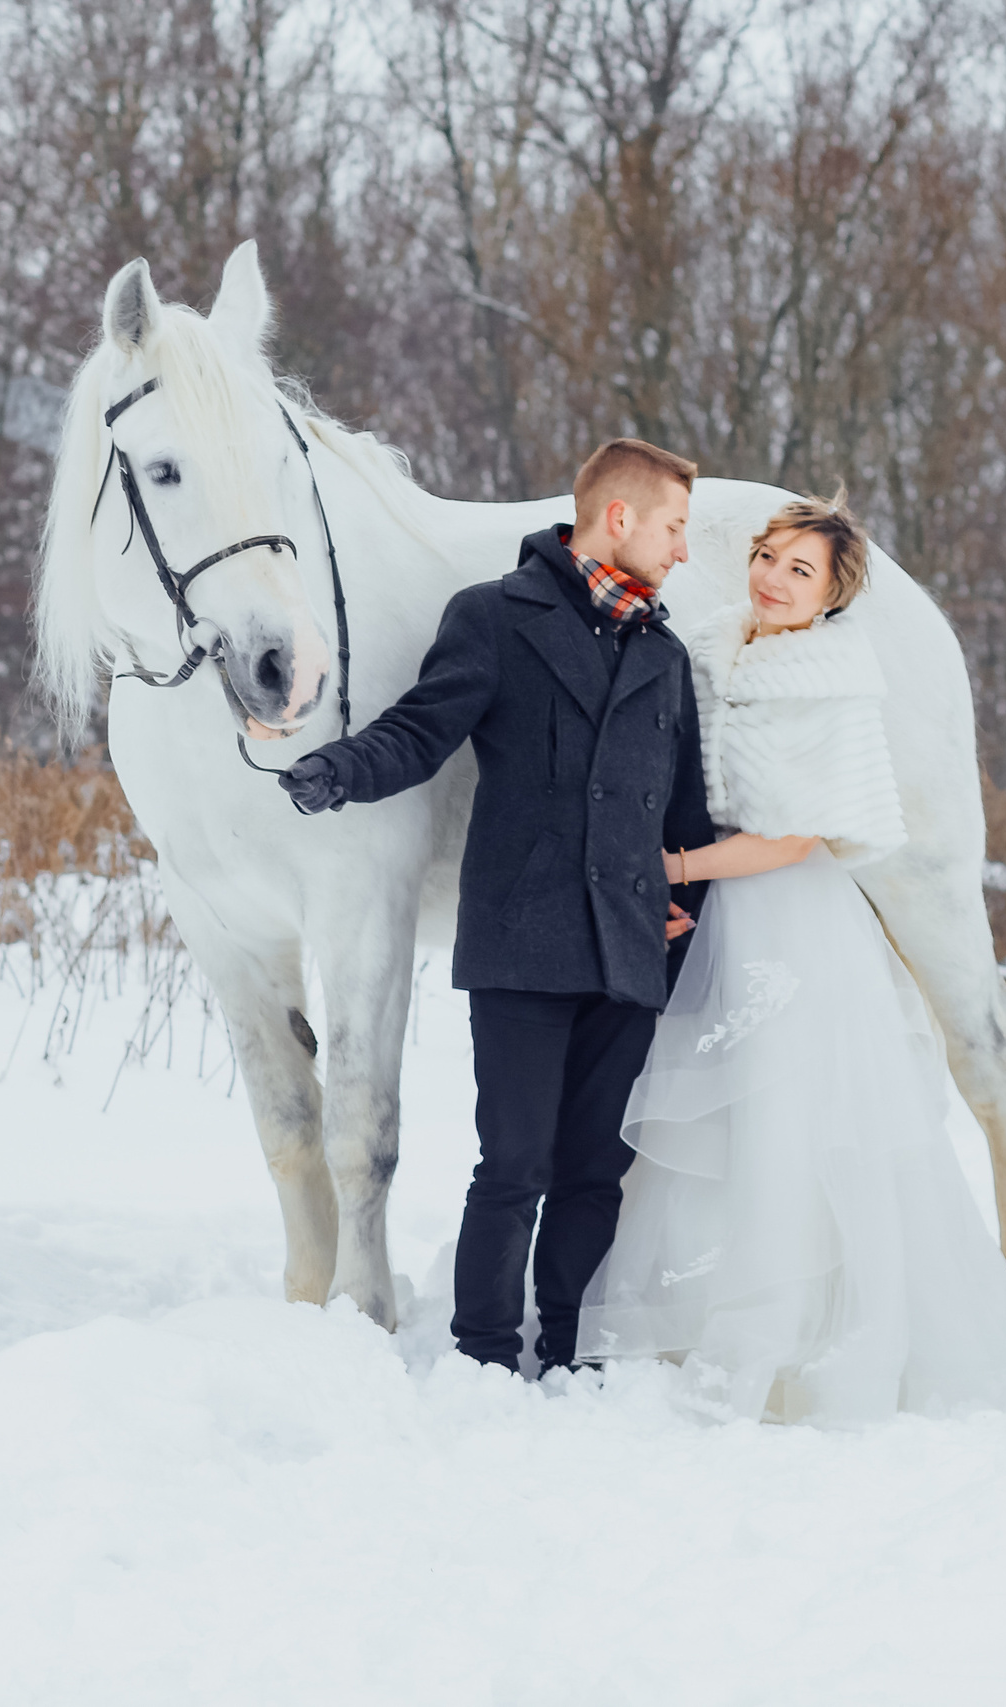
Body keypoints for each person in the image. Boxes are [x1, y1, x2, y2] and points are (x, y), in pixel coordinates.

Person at [577, 492, 1006, 1422]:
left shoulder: (830, 679)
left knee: (787, 1115)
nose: (775, 580)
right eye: (769, 558)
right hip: (722, 908)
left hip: (786, 915)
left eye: (802, 572)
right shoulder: (713, 647)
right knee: (712, 1124)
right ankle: (689, 1311)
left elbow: (795, 837)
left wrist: (671, 865)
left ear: (832, 598)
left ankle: (795, 1326)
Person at [277, 439, 714, 1375]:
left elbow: (684, 809)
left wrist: (691, 909)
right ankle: (483, 1355)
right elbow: (420, 731)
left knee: (596, 1174)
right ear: (622, 517)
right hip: (526, 939)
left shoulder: (666, 654)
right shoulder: (494, 618)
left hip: (631, 947)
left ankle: (570, 1347)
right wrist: (335, 770)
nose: (685, 550)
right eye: (676, 527)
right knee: (514, 1166)